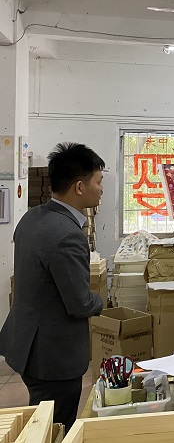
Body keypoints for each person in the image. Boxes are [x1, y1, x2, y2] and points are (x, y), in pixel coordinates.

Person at [0, 142, 105, 430]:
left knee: (43, 418)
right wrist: (101, 302)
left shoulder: (33, 217)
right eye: (98, 181)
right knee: (56, 426)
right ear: (80, 187)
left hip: (25, 341)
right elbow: (79, 303)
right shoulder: (66, 234)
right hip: (53, 354)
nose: (101, 189)